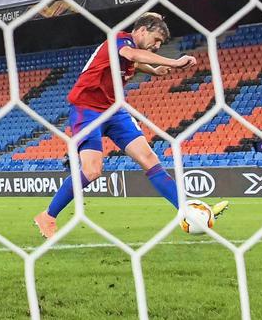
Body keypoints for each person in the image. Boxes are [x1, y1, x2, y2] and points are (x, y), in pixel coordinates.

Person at [32, 12, 229, 239]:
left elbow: (134, 62)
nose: (157, 46)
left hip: (115, 111)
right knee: (92, 170)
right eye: (156, 40)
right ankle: (48, 215)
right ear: (142, 31)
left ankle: (187, 211)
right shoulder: (120, 39)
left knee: (149, 159)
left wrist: (154, 70)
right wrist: (173, 62)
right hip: (87, 109)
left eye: (160, 44)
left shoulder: (130, 54)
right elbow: (132, 54)